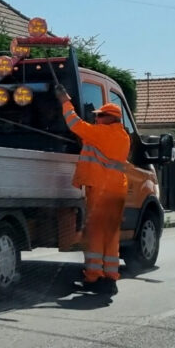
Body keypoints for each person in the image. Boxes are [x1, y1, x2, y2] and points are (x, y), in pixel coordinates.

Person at [56, 85, 130, 295]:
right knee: (110, 236)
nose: (96, 118)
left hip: (101, 189)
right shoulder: (122, 136)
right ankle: (109, 279)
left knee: (96, 236)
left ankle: (93, 278)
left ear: (109, 118)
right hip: (115, 190)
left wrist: (65, 101)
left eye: (99, 116)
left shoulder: (103, 133)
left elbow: (75, 124)